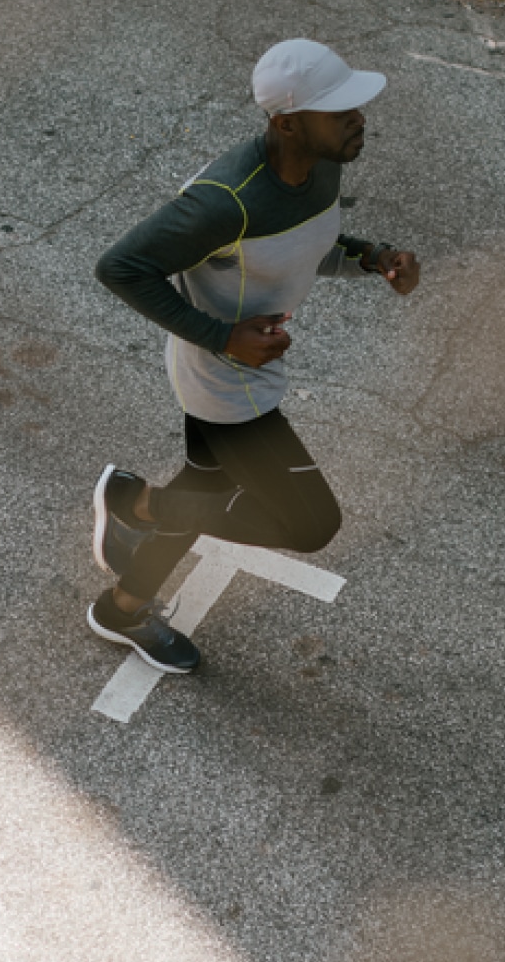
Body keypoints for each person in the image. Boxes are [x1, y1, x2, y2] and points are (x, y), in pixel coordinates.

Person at [89, 39, 421, 673]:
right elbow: (121, 267)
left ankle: (122, 608)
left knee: (203, 489)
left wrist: (374, 258)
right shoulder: (224, 201)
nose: (359, 120)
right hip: (226, 382)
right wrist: (222, 336)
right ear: (287, 121)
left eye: (357, 106)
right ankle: (134, 504)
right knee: (310, 524)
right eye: (340, 111)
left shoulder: (320, 164)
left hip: (245, 367)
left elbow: (309, 245)